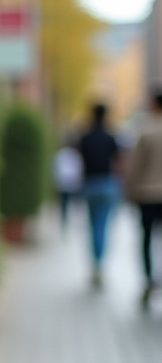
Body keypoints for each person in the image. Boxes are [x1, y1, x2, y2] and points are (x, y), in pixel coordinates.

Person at [78, 103, 123, 287]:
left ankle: (95, 265)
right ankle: (99, 265)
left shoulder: (85, 137)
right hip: (106, 184)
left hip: (90, 184)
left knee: (92, 226)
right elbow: (118, 162)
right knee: (102, 226)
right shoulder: (111, 137)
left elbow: (80, 160)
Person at [126, 89, 162, 308]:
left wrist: (130, 192)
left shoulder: (145, 130)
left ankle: (149, 281)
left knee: (147, 239)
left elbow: (135, 167)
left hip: (147, 194)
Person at [52, 142, 83, 231]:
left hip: (63, 182)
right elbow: (78, 168)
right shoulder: (74, 154)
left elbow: (55, 168)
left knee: (64, 203)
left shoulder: (60, 154)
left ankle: (65, 219)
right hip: (71, 182)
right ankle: (70, 220)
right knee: (72, 202)